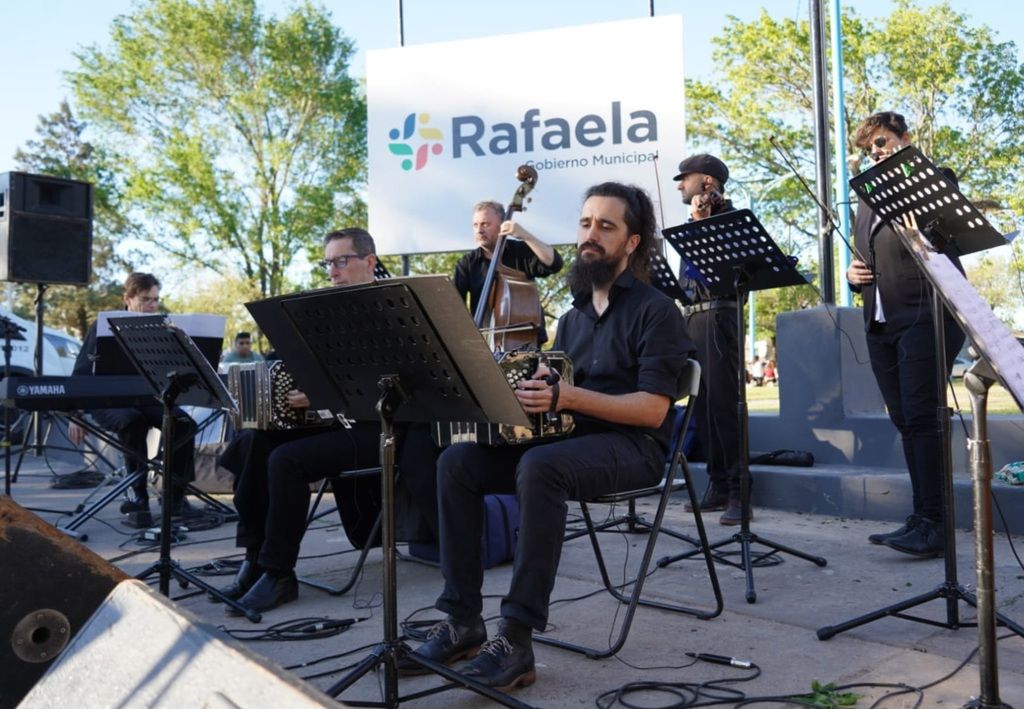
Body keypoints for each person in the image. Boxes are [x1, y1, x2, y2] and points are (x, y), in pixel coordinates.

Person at [404, 182, 692, 690]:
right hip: (570, 440)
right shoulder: (574, 317)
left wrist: (567, 399)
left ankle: (515, 637)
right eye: (585, 223)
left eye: (607, 226)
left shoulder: (656, 309)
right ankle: (462, 619)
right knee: (457, 462)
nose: (590, 235)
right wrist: (516, 394)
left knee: (540, 467)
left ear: (632, 242)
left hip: (635, 448)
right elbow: (557, 390)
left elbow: (651, 412)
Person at [214, 228, 442, 614]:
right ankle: (256, 558)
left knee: (286, 461)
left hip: (384, 429)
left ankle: (280, 573)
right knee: (254, 442)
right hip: (336, 423)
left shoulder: (395, 310)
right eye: (328, 263)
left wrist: (323, 395)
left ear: (369, 262)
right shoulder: (327, 313)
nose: (333, 271)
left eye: (342, 261)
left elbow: (409, 383)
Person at [846, 111, 966, 558]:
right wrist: (852, 274)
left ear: (904, 139)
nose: (875, 151)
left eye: (882, 141)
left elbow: (944, 245)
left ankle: (935, 523)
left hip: (925, 316)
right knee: (904, 420)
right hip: (881, 321)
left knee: (923, 417)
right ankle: (920, 517)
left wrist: (914, 175)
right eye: (869, 147)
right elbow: (867, 258)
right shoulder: (867, 199)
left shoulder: (936, 180)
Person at [68, 272, 200, 527]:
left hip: (148, 398)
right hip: (110, 401)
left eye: (156, 300)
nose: (152, 305)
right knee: (132, 421)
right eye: (146, 299)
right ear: (127, 299)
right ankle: (137, 498)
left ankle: (174, 498)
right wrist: (76, 414)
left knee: (184, 424)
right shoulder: (102, 326)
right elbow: (81, 371)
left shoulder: (160, 327)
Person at [674, 153, 746, 525]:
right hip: (692, 318)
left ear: (707, 183)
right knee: (700, 407)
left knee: (723, 403)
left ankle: (739, 490)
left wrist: (704, 221)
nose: (679, 185)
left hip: (720, 315)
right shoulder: (693, 220)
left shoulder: (731, 220)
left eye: (685, 178)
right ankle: (717, 484)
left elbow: (720, 273)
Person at [453, 200, 564, 344]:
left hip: (525, 344)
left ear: (502, 225)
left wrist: (525, 235)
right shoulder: (467, 263)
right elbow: (455, 308)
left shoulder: (521, 252)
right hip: (485, 343)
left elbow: (554, 263)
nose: (479, 230)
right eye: (475, 225)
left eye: (485, 224)